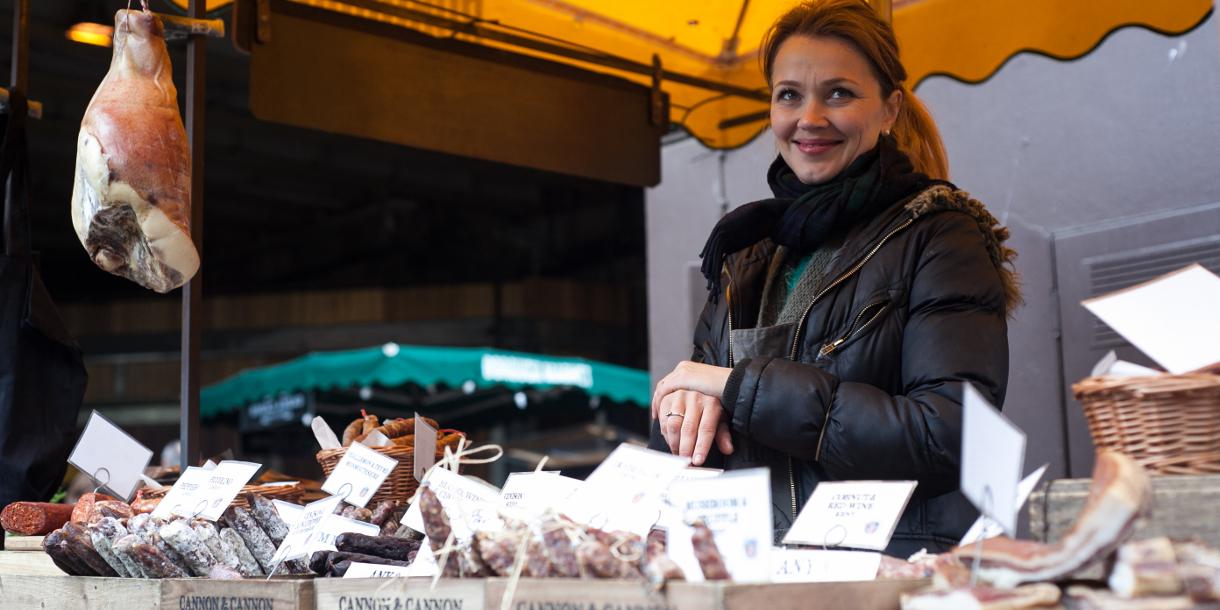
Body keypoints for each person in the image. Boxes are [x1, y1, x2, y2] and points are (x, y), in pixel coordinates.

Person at [648, 0, 1020, 556]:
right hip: (760, 572)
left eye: (839, 93)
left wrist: (739, 388)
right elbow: (699, 440)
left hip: (892, 571)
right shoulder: (743, 255)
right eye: (789, 94)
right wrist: (678, 414)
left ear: (890, 108)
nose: (810, 118)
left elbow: (953, 435)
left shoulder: (941, 237)